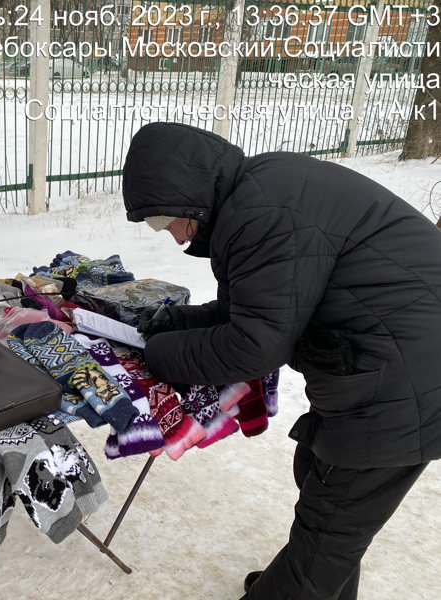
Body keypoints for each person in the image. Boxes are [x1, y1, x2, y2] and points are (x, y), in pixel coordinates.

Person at [121, 122, 441, 600]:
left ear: (187, 196)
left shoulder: (261, 213)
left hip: (406, 379)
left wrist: (157, 354)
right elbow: (253, 310)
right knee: (318, 478)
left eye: (161, 220)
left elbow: (255, 346)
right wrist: (175, 323)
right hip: (395, 358)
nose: (167, 235)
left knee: (327, 532)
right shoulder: (258, 193)